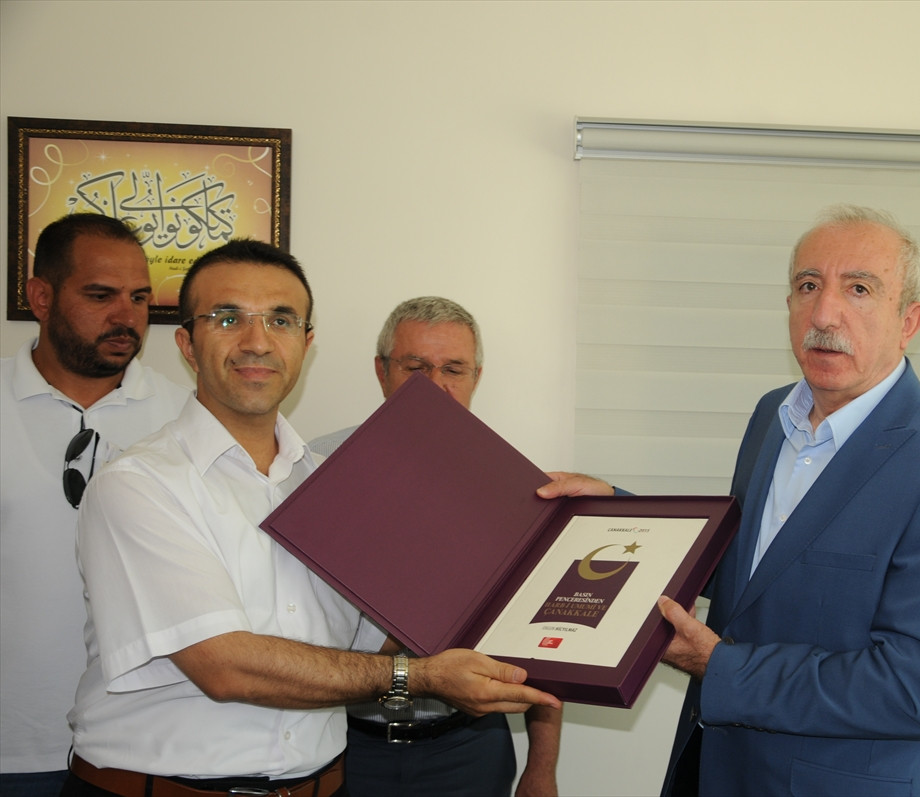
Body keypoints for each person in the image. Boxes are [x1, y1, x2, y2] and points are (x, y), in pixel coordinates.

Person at [539, 205, 920, 796]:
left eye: (859, 289)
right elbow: (752, 566)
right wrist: (615, 511)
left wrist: (720, 667)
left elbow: (917, 690)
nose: (824, 314)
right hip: (716, 768)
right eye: (808, 285)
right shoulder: (772, 415)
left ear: (908, 321)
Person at [64, 241, 560, 797]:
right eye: (228, 318)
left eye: (280, 320)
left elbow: (371, 642)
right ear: (187, 344)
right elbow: (225, 667)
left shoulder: (335, 486)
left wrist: (541, 535)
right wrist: (418, 677)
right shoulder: (138, 484)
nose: (257, 341)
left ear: (305, 343)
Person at [310, 296, 561, 797]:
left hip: (468, 747)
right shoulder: (313, 470)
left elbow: (543, 635)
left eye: (453, 369)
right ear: (382, 372)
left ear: (476, 377)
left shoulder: (517, 487)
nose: (436, 386)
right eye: (416, 367)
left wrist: (541, 769)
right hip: (343, 743)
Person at [0, 214, 189, 796]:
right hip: (11, 744)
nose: (126, 316)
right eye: (101, 296)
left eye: (139, 298)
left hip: (143, 752)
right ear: (41, 297)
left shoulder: (191, 417)